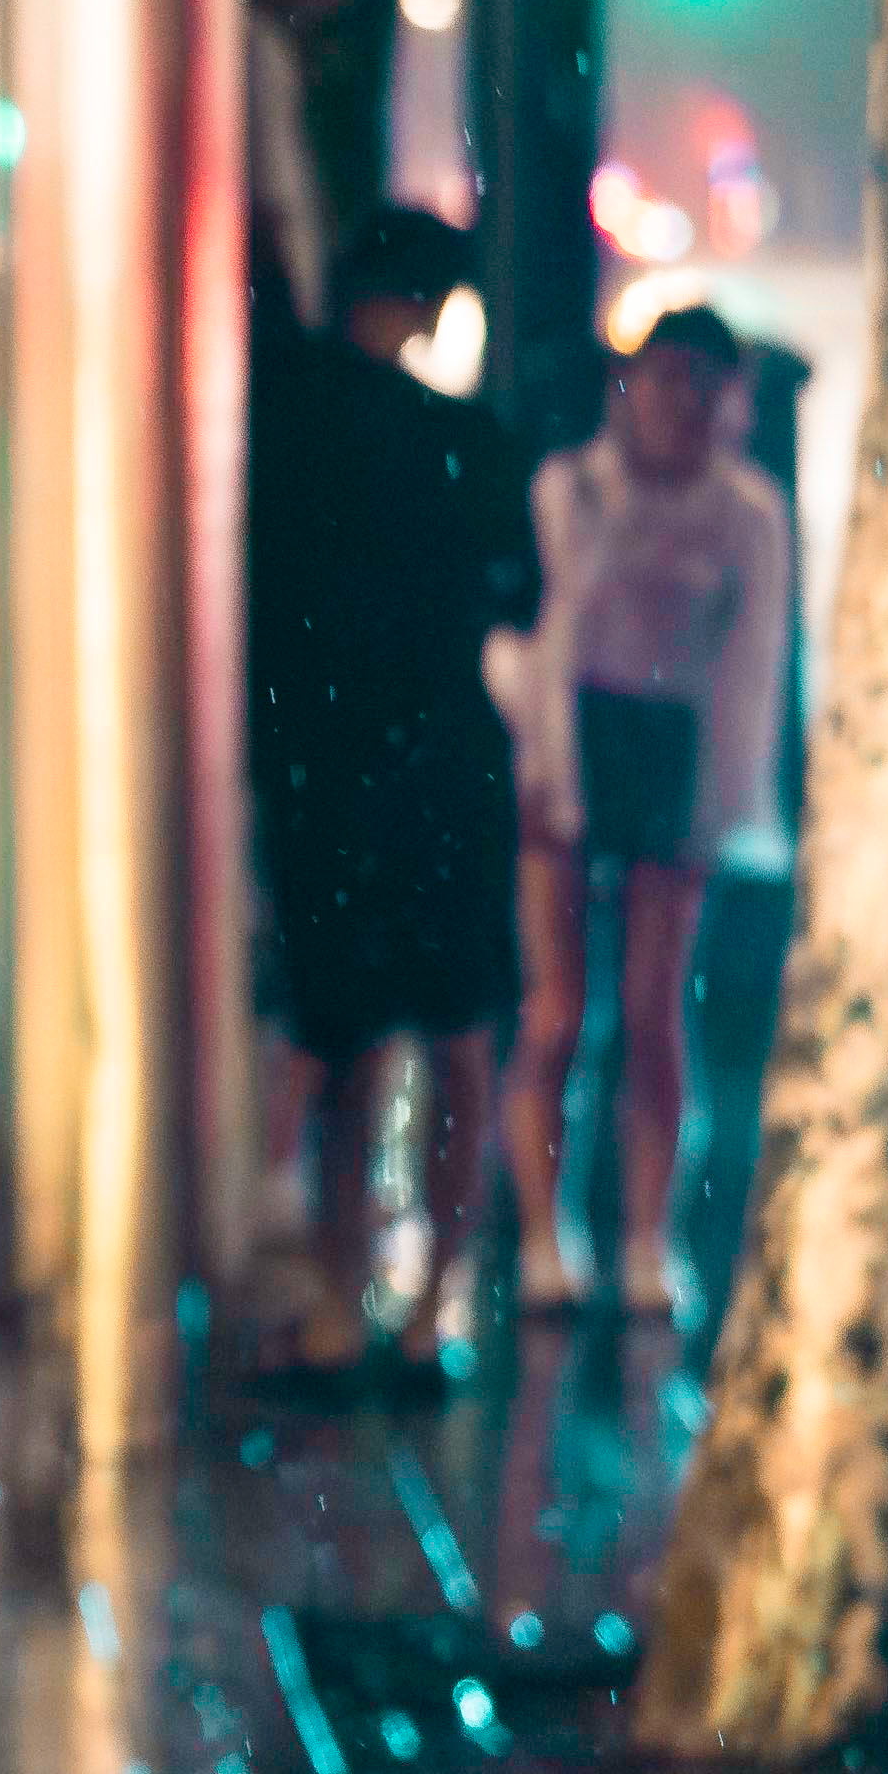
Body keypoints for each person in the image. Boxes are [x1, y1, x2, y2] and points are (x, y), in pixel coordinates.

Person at [243, 204, 534, 1367]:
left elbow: (266, 615)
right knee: (457, 1033)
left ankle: (334, 1291)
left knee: (344, 1034)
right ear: (428, 308)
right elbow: (516, 599)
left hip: (326, 765)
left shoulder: (284, 428)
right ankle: (432, 1305)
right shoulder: (469, 444)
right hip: (448, 765)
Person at [502, 302, 795, 1318]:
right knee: (558, 1011)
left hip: (676, 754)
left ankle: (645, 1238)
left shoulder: (747, 512)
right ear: (625, 386)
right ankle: (545, 1233)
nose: (679, 403)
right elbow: (543, 638)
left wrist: (726, 804)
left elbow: (751, 668)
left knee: (656, 1012)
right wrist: (546, 774)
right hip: (572, 741)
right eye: (662, 378)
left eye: (701, 385)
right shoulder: (570, 487)